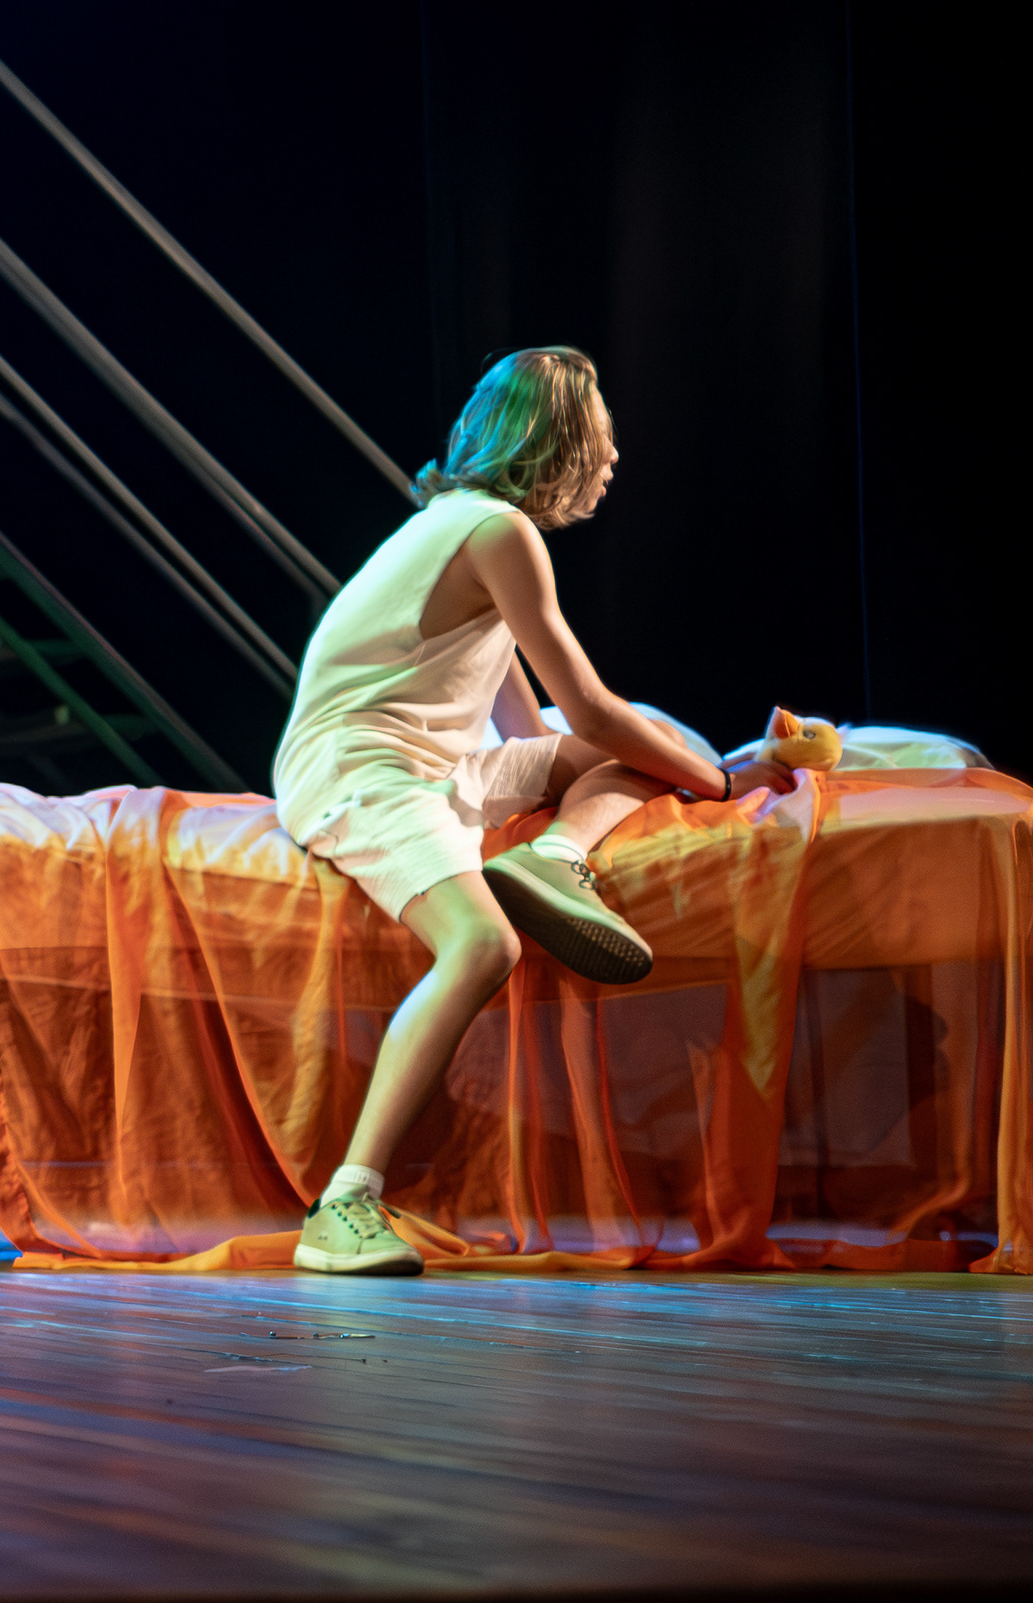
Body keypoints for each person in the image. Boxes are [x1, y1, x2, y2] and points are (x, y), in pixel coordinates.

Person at [277, 346, 806, 1278]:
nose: (613, 459)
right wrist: (721, 784)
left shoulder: (464, 526)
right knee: (484, 945)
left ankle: (557, 857)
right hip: (363, 772)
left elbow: (538, 725)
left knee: (644, 740)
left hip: (430, 765)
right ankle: (343, 1202)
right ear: (558, 443)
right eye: (602, 439)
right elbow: (588, 709)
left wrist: (695, 765)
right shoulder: (498, 532)